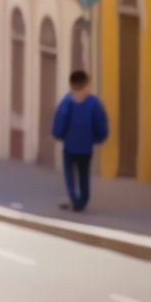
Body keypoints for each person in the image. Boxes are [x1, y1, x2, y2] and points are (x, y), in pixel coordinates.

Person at [51, 69, 109, 212]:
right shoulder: (94, 103)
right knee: (84, 174)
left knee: (70, 175)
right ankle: (83, 199)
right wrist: (98, 138)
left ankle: (74, 198)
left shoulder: (67, 102)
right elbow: (100, 124)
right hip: (86, 147)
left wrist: (58, 135)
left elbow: (59, 123)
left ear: (71, 85)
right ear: (86, 85)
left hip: (69, 147)